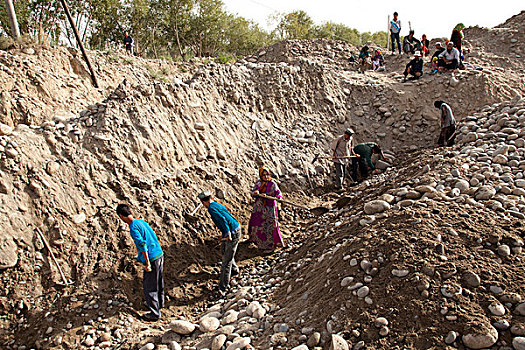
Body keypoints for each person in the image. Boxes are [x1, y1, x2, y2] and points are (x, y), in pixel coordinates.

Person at [116, 204, 164, 322]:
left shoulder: (133, 227)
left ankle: (154, 314)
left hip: (152, 258)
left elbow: (142, 245)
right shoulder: (141, 222)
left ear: (121, 216)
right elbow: (153, 235)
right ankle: (160, 304)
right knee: (158, 281)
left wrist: (147, 263)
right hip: (159, 254)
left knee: (149, 286)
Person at [198, 190, 240, 293]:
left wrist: (227, 233)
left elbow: (222, 219)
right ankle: (234, 270)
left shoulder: (212, 209)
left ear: (203, 202)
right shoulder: (216, 204)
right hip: (234, 228)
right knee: (224, 251)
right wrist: (224, 234)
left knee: (226, 261)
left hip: (232, 232)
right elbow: (227, 214)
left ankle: (223, 286)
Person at [248, 166, 284, 252]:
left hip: (270, 208)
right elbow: (253, 192)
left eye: (267, 174)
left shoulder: (272, 184)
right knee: (256, 223)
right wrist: (256, 193)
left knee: (270, 226)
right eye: (263, 175)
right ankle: (255, 240)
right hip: (259, 208)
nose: (266, 177)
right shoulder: (258, 183)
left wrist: (279, 197)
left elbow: (278, 193)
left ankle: (271, 246)